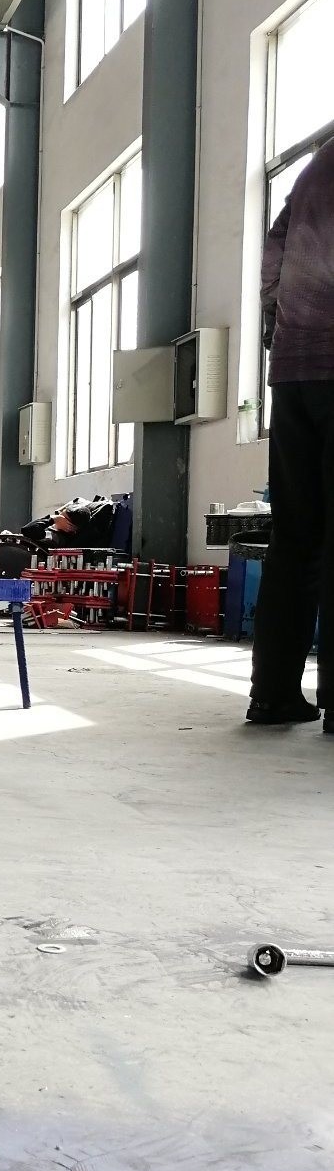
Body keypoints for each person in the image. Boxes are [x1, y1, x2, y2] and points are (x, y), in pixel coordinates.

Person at [247, 138, 334, 731]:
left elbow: (273, 255)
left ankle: (273, 694)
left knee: (295, 539)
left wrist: (279, 325)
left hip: (294, 371)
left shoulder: (314, 169)